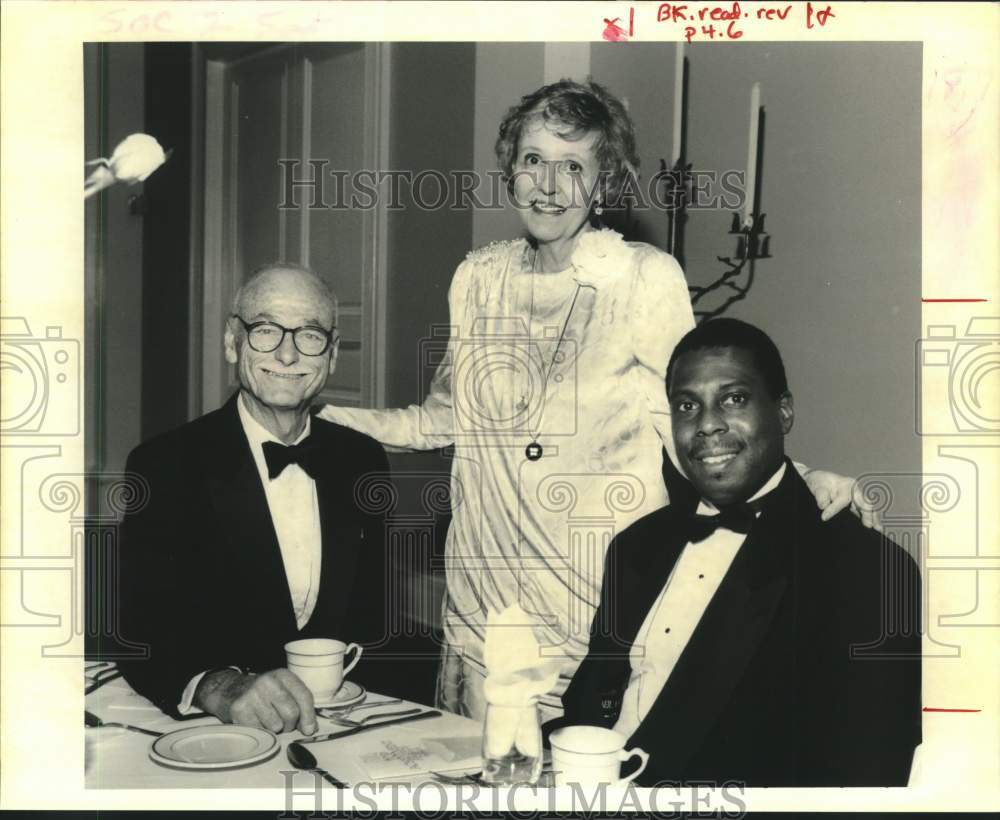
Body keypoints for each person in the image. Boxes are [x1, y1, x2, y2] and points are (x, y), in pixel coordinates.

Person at [320, 80, 868, 720]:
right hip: (485, 599)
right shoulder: (477, 278)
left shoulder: (640, 276)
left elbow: (696, 422)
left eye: (572, 165)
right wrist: (315, 414)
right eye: (533, 160)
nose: (548, 184)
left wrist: (799, 479)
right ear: (510, 170)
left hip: (590, 600)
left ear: (603, 183)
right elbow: (444, 417)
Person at [551, 319, 922, 786]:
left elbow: (864, 777)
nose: (707, 424)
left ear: (783, 411)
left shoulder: (866, 569)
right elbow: (589, 701)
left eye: (734, 399)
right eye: (687, 406)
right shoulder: (636, 544)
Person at [117, 263, 392, 736]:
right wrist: (220, 687)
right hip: (217, 740)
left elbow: (375, 624)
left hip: (344, 735)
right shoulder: (163, 464)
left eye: (309, 334)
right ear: (232, 341)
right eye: (265, 330)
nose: (287, 354)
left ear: (332, 354)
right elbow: (136, 630)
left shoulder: (362, 460)